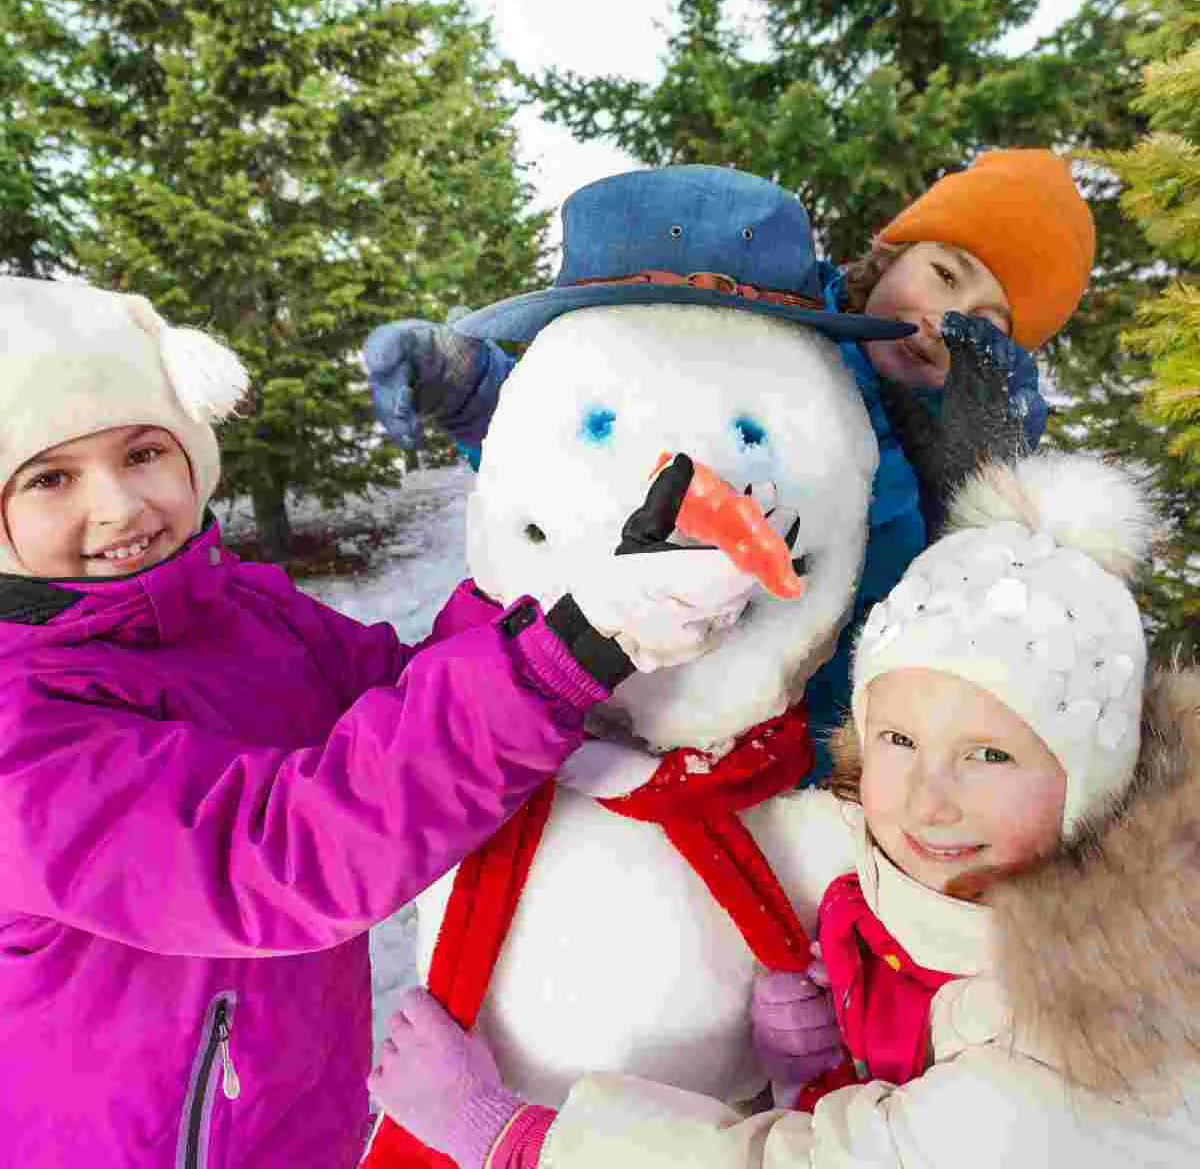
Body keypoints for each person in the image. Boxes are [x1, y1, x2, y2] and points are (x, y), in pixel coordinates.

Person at [0, 277, 776, 1167]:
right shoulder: (22, 724)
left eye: (143, 453)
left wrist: (563, 581)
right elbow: (280, 855)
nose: (121, 507)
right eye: (51, 478)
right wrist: (576, 642)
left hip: (297, 1114)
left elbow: (403, 700)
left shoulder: (244, 612)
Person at [369, 450, 1200, 1168]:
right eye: (899, 741)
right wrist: (820, 1065)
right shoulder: (945, 899)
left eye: (991, 755)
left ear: (1094, 781)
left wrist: (501, 1135)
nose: (926, 797)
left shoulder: (1096, 1024)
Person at [364, 150, 1096, 779]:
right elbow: (602, 438)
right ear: (891, 252)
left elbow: (958, 627)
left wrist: (983, 482)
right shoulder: (765, 319)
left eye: (988, 324)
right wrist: (471, 392)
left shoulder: (957, 451)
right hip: (622, 715)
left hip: (795, 762)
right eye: (943, 272)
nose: (947, 321)